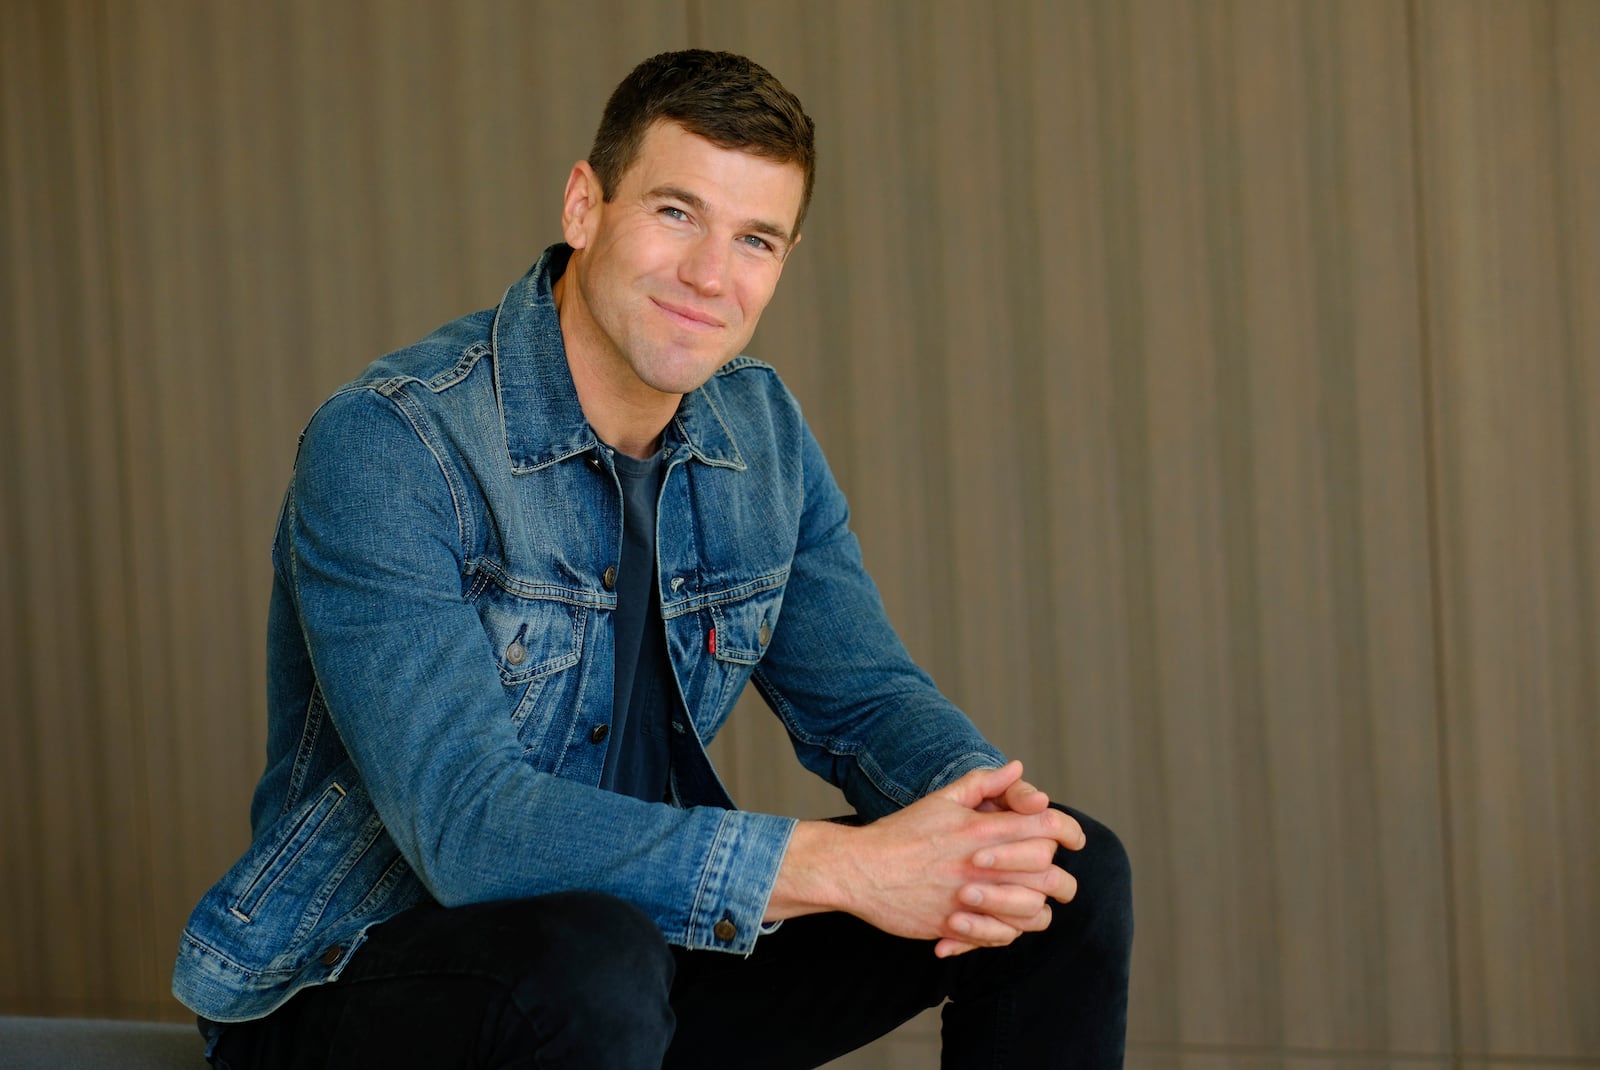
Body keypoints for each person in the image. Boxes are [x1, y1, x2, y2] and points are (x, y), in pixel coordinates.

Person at [173, 49, 1132, 1068]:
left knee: (1062, 876)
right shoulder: (390, 443)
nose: (711, 276)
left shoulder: (756, 429)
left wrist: (981, 814)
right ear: (584, 205)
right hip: (352, 977)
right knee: (592, 953)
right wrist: (844, 867)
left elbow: (863, 701)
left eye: (754, 238)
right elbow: (470, 828)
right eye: (676, 213)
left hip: (632, 967)